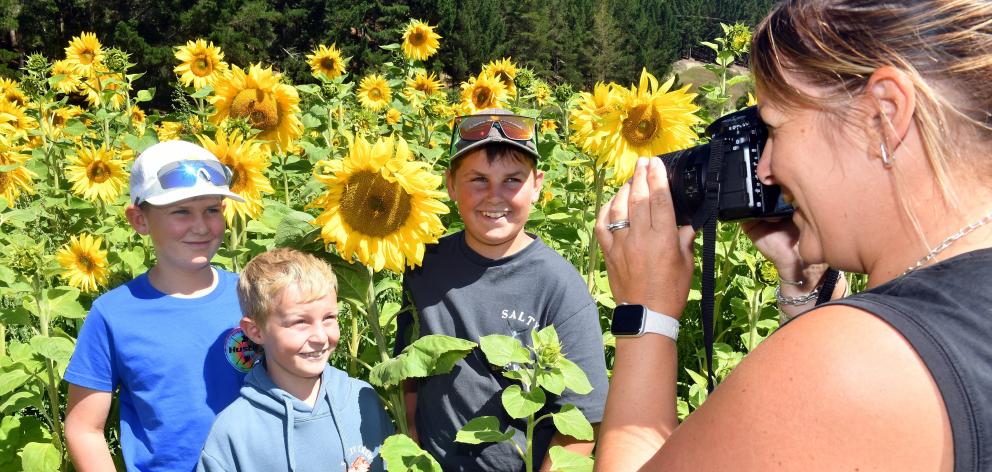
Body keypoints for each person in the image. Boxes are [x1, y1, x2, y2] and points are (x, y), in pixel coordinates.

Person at [593, 1, 992, 470]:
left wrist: (647, 313)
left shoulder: (853, 364)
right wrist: (807, 284)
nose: (765, 170)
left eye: (774, 129)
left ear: (884, 114)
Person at [394, 109, 610, 470]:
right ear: (450, 185)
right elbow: (409, 370)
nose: (495, 196)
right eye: (478, 179)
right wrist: (411, 439)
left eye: (513, 180)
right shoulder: (422, 266)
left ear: (537, 184)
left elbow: (583, 421)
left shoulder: (558, 285)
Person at [64, 140, 258, 471]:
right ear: (139, 220)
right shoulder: (114, 313)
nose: (201, 226)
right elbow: (84, 428)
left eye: (211, 210)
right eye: (181, 211)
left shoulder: (254, 296)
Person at [197, 248, 393, 472]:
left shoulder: (362, 400)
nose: (320, 337)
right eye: (300, 322)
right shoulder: (234, 433)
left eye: (329, 318)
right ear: (255, 331)